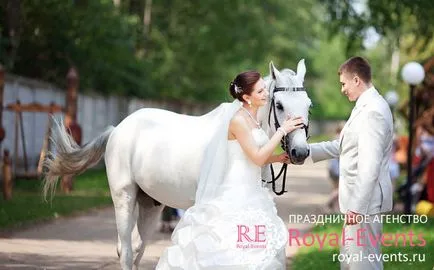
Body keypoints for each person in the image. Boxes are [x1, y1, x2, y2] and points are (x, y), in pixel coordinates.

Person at [156, 71, 304, 269]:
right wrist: (282, 131)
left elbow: (253, 156)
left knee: (257, 250)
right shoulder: (238, 121)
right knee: (231, 250)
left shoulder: (252, 119)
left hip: (253, 191)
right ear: (246, 97)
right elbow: (257, 157)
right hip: (236, 193)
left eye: (264, 89)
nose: (266, 94)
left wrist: (278, 158)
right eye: (260, 91)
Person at [309, 56, 394, 270]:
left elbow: (370, 165)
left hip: (364, 205)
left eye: (343, 84)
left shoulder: (373, 111)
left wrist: (356, 208)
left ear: (356, 80)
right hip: (358, 205)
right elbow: (343, 146)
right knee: (350, 264)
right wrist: (306, 152)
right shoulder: (364, 107)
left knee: (363, 265)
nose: (342, 89)